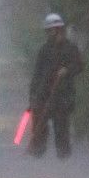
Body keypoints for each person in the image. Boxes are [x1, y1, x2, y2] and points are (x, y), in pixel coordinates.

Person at [28, 13, 84, 159]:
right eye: (47, 31)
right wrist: (33, 95)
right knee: (39, 126)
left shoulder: (70, 48)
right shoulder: (44, 50)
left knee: (61, 128)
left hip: (63, 96)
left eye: (50, 31)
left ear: (59, 30)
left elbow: (78, 66)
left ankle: (63, 156)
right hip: (44, 95)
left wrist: (66, 70)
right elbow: (37, 74)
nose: (48, 34)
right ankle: (37, 153)